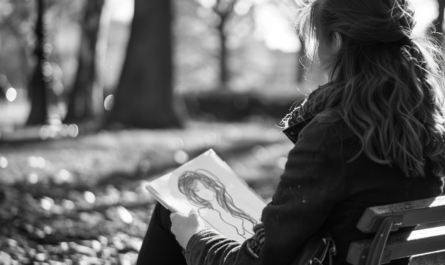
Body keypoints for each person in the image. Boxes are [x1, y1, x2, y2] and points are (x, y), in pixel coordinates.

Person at [137, 0, 445, 264]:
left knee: (172, 212)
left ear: (336, 40)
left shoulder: (334, 132)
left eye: (318, 39)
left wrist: (195, 239)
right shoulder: (426, 127)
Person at [177, 170, 256, 239]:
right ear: (193, 194)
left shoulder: (229, 201)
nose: (204, 192)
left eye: (206, 186)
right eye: (197, 190)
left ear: (212, 185)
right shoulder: (204, 213)